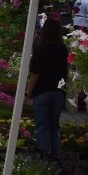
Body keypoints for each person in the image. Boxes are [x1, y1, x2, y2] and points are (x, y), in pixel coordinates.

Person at [25, 17, 69, 159]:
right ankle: (56, 156)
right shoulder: (63, 49)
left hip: (42, 91)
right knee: (54, 126)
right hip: (58, 91)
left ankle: (44, 156)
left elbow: (35, 73)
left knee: (42, 127)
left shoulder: (41, 48)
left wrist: (28, 92)